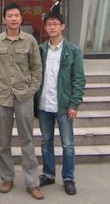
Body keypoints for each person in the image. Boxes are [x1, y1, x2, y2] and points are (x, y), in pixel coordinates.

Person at [0, 2, 43, 200]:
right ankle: (7, 178)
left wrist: (31, 91)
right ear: (4, 19)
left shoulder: (30, 41)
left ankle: (32, 182)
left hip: (24, 97)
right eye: (10, 15)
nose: (14, 18)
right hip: (1, 97)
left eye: (17, 15)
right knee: (4, 141)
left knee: (28, 140)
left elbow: (37, 69)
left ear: (21, 18)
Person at [36, 12, 85, 196]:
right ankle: (48, 174)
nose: (52, 27)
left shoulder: (73, 50)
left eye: (55, 24)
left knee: (68, 144)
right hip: (44, 104)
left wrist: (75, 103)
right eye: (49, 24)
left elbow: (79, 79)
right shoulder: (41, 49)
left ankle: (68, 178)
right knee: (46, 142)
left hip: (64, 106)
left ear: (63, 26)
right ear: (45, 27)